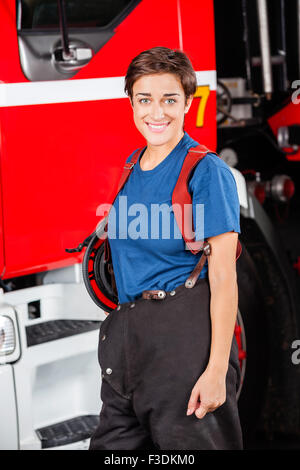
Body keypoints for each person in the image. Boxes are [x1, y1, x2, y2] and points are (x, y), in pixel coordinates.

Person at [89, 47, 243, 450]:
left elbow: (224, 277)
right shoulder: (130, 165)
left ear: (188, 103)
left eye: (169, 99)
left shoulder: (206, 171)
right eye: (145, 99)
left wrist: (214, 372)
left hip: (184, 353)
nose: (156, 112)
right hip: (126, 350)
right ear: (131, 103)